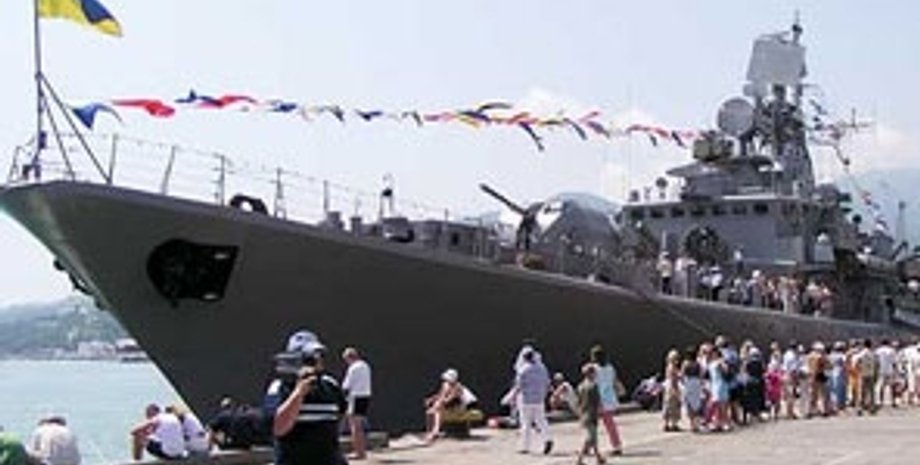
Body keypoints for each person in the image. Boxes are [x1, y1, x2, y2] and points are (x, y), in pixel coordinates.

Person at [263, 330, 347, 465]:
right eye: (308, 358)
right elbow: (278, 428)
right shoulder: (279, 387)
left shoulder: (330, 385)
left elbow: (341, 416)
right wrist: (299, 393)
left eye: (319, 355)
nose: (316, 361)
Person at [514, 347, 552, 455]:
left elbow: (519, 386)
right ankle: (548, 439)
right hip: (539, 399)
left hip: (526, 400)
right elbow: (547, 382)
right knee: (542, 421)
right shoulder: (542, 368)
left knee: (526, 423)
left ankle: (525, 447)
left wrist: (512, 398)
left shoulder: (523, 370)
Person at [424, 368, 476, 442]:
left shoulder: (458, 387)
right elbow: (441, 395)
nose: (446, 380)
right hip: (451, 404)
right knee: (434, 410)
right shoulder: (445, 385)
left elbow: (449, 399)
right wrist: (431, 399)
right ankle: (433, 432)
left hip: (464, 405)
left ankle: (435, 431)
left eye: (448, 378)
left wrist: (438, 404)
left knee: (437, 408)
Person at [589, 345, 622, 456]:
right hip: (609, 399)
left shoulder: (593, 369)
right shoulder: (610, 368)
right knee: (610, 424)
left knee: (591, 425)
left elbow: (591, 384)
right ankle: (616, 445)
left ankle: (589, 447)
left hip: (597, 399)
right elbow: (614, 382)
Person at [341, 347, 372, 460]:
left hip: (356, 397)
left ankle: (359, 452)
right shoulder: (365, 365)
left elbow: (346, 385)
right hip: (365, 396)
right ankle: (362, 451)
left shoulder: (353, 368)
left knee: (354, 426)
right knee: (359, 425)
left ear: (349, 358)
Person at [576, 364, 605, 465]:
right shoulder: (593, 386)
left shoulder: (581, 386)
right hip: (592, 414)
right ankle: (580, 459)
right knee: (590, 438)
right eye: (594, 373)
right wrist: (600, 410)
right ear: (591, 374)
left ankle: (598, 457)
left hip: (584, 413)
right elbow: (598, 401)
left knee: (594, 437)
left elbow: (579, 402)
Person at [662, 349, 681, 432]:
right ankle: (674, 424)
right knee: (673, 405)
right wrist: (675, 390)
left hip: (667, 386)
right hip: (672, 387)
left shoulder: (668, 366)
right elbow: (674, 379)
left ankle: (666, 424)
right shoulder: (673, 367)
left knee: (667, 405)